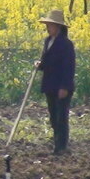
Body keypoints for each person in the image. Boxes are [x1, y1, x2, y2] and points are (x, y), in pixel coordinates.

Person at [35, 8, 75, 155]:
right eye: (47, 25)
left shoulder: (66, 44)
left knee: (61, 117)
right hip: (50, 85)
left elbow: (68, 67)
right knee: (53, 116)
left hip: (61, 86)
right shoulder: (48, 42)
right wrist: (40, 65)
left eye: (50, 25)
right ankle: (57, 143)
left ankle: (62, 146)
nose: (47, 28)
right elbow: (46, 62)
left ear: (58, 27)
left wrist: (64, 87)